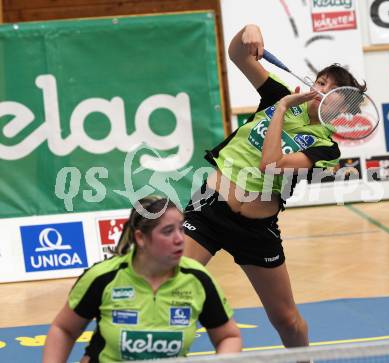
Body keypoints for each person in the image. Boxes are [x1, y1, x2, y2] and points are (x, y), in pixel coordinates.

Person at [183, 24, 367, 348]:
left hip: (256, 228)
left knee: (287, 321)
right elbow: (238, 54)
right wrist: (249, 31)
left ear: (342, 111)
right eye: (322, 82)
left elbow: (270, 166)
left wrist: (281, 109)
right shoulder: (277, 90)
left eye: (335, 94)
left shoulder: (325, 150)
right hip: (208, 210)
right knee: (173, 288)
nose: (323, 91)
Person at [43, 196, 242, 363]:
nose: (180, 238)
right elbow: (64, 329)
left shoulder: (197, 279)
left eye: (181, 229)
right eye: (167, 231)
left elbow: (228, 336)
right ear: (140, 238)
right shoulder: (104, 277)